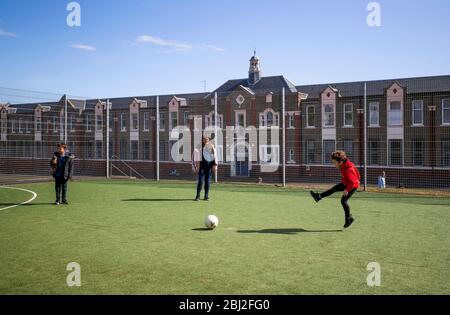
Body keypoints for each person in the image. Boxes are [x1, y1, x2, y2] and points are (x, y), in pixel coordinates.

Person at [309, 151, 360, 229]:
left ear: (340, 162)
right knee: (334, 189)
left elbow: (353, 182)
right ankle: (318, 197)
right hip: (347, 183)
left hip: (352, 186)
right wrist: (346, 181)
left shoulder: (347, 169)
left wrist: (347, 190)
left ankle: (348, 219)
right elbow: (357, 173)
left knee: (343, 200)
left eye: (334, 162)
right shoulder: (344, 165)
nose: (333, 164)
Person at [192, 136, 218, 201]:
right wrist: (194, 166)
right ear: (202, 140)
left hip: (209, 166)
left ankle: (206, 196)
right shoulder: (198, 148)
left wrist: (215, 165)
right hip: (201, 167)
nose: (206, 140)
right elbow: (194, 157)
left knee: (207, 181)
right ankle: (197, 196)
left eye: (207, 139)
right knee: (200, 181)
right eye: (205, 139)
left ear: (209, 140)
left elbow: (215, 156)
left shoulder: (212, 147)